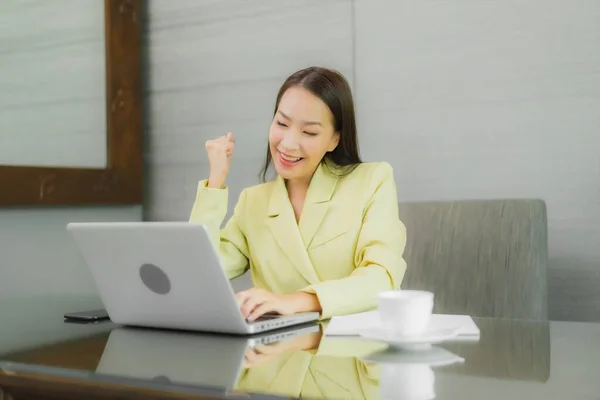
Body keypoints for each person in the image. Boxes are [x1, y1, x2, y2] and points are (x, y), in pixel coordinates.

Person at [189, 66, 407, 321]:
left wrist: (296, 302)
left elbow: (382, 279)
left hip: (353, 353)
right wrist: (215, 182)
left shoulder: (372, 181)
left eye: (309, 132)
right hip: (276, 355)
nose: (289, 143)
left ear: (335, 139)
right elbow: (198, 272)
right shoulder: (254, 202)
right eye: (281, 123)